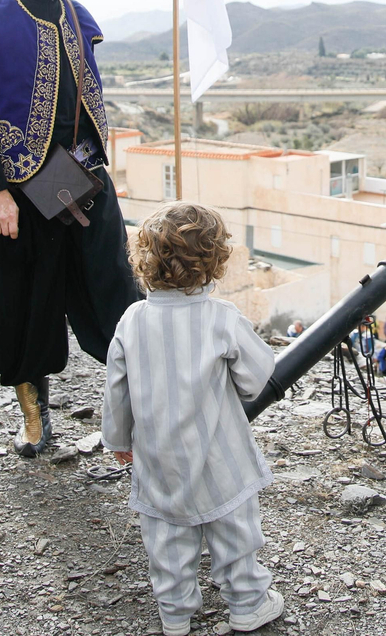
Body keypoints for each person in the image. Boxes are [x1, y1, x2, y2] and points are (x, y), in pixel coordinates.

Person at [0, 0, 141, 456]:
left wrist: (95, 169)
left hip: (76, 175)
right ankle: (34, 416)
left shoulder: (78, 16)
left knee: (112, 287)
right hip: (15, 187)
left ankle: (143, 403)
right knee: (24, 303)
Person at [102, 203, 283, 636]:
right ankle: (247, 604)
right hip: (222, 459)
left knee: (166, 544)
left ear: (145, 261)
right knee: (236, 536)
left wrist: (119, 440)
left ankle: (175, 615)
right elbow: (259, 375)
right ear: (214, 261)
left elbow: (117, 391)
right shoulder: (221, 319)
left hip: (160, 461)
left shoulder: (132, 320)